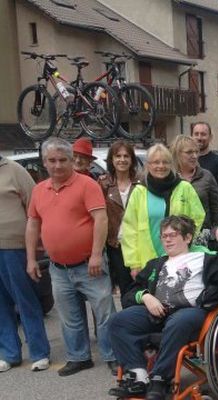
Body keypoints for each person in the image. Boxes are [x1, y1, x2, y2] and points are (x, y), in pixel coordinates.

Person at [108, 215, 218, 400]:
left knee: (178, 322)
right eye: (164, 236)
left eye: (172, 235)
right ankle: (138, 378)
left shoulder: (205, 259)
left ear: (188, 237)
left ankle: (160, 378)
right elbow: (128, 294)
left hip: (192, 313)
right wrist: (146, 296)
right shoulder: (156, 264)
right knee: (118, 321)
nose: (167, 239)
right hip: (157, 314)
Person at [25, 137, 117, 376]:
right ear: (44, 162)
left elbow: (101, 219)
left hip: (90, 264)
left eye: (62, 160)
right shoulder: (38, 190)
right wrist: (31, 259)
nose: (57, 165)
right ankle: (79, 357)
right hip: (58, 268)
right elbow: (33, 224)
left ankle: (113, 355)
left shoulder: (87, 185)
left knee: (104, 313)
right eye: (52, 160)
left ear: (71, 160)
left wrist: (97, 255)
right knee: (70, 316)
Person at [121, 143, 205, 278]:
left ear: (171, 164)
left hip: (180, 259)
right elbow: (129, 230)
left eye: (165, 162)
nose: (160, 166)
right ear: (148, 165)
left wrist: (186, 242)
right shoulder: (139, 191)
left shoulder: (184, 187)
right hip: (147, 261)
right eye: (155, 162)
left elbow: (198, 217)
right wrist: (134, 263)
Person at [0, 155, 50, 373]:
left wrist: (37, 242)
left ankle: (39, 352)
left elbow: (34, 205)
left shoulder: (14, 170)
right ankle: (9, 353)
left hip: (14, 246)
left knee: (25, 299)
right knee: (0, 304)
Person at [98, 140, 142, 298]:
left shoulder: (141, 182)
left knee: (143, 287)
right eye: (118, 156)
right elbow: (99, 215)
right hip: (115, 245)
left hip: (139, 243)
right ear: (112, 159)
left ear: (132, 160)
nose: (122, 160)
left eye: (126, 156)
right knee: (125, 289)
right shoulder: (103, 184)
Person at [170, 135, 218, 235]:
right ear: (177, 154)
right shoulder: (169, 178)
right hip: (174, 236)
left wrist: (216, 233)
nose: (194, 156)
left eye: (196, 152)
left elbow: (217, 209)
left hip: (202, 236)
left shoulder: (206, 176)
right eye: (189, 152)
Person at [191, 122, 218, 201]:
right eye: (196, 134)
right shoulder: (185, 160)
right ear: (192, 136)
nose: (199, 137)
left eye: (203, 134)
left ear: (210, 137)